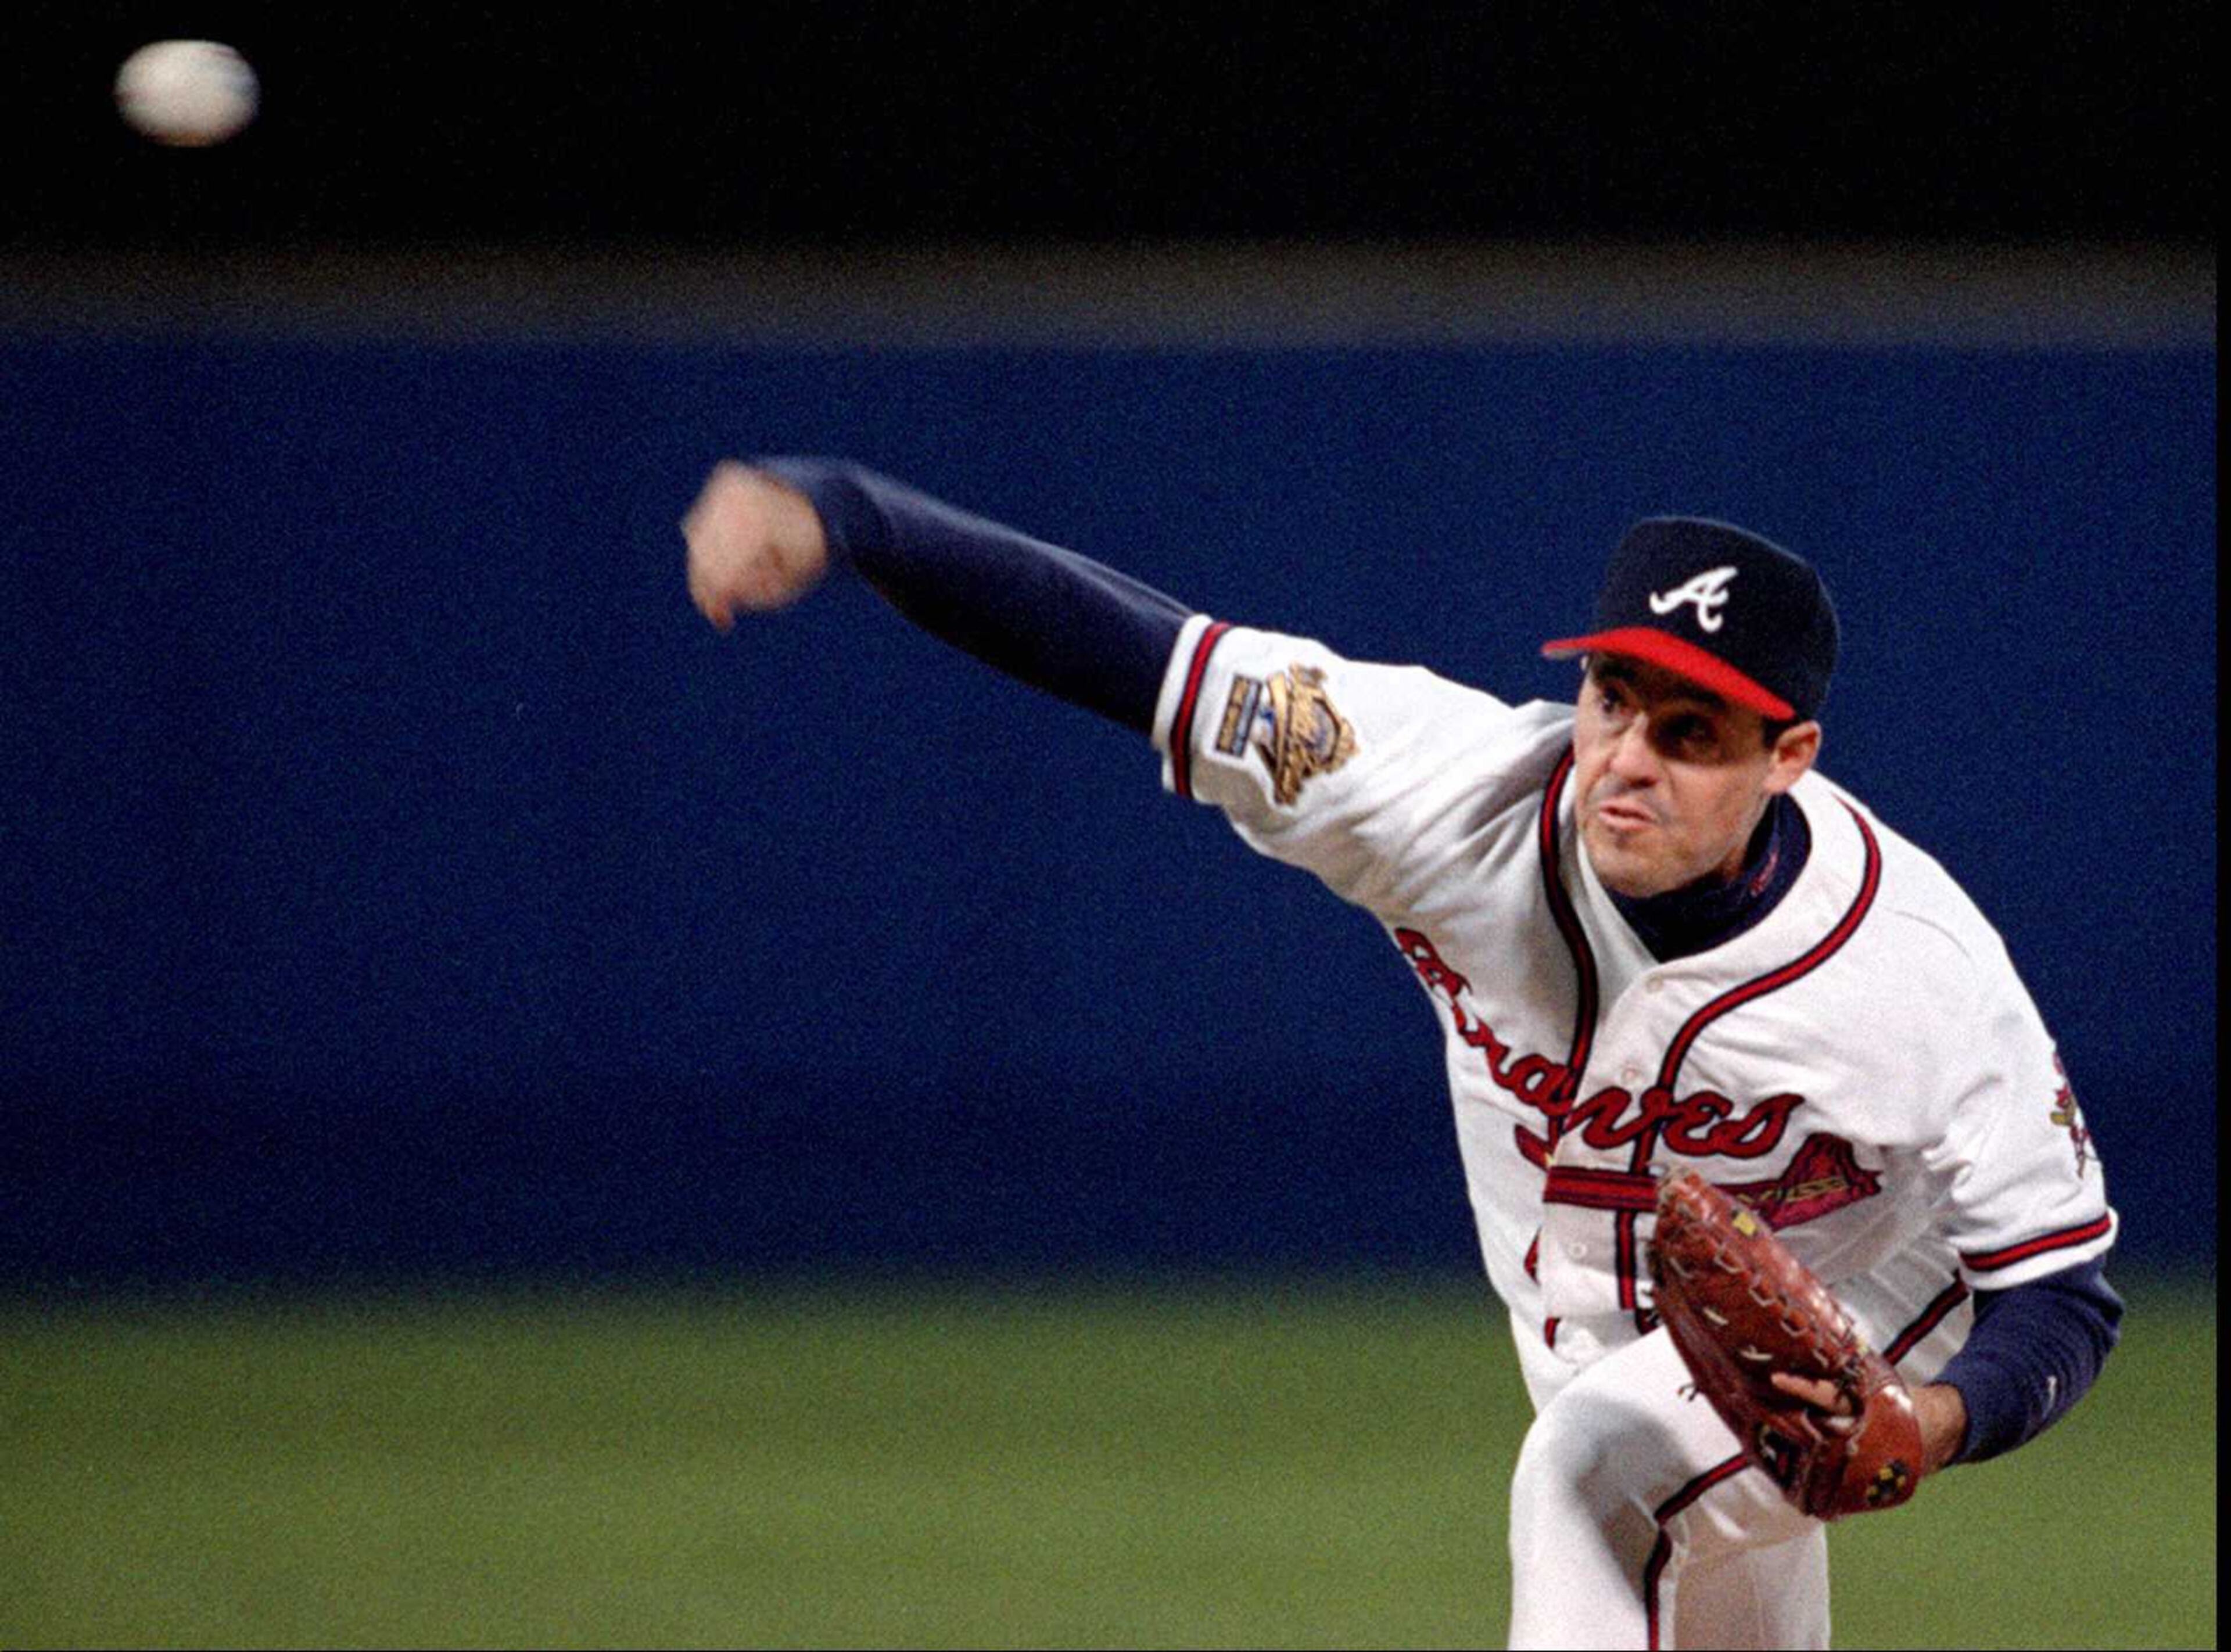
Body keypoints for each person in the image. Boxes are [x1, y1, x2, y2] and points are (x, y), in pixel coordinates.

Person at [682, 457, 2121, 1650]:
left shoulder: (1914, 971)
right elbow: (1136, 652)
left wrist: (1932, 1421)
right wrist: (849, 513)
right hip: (1597, 1351)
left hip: (1850, 1337)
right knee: (1620, 1471)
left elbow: (2062, 1294)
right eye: (1616, 699)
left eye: (1691, 733)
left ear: (1788, 755)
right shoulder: (1447, 791)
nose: (1625, 758)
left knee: (1594, 1476)